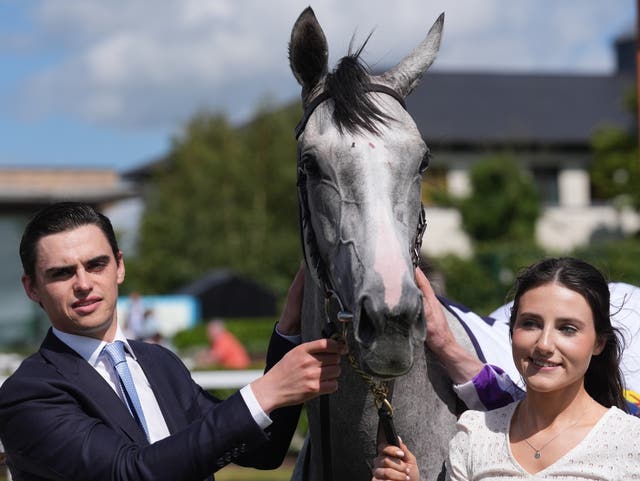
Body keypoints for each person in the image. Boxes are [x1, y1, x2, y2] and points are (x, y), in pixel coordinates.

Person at [0, 202, 347, 481]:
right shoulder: (27, 394)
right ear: (32, 288)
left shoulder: (159, 363)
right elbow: (130, 472)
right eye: (62, 273)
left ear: (118, 267)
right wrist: (267, 390)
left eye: (96, 265)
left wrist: (289, 331)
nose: (83, 283)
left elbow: (264, 450)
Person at [375, 257, 640, 480]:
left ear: (599, 343)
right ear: (512, 330)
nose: (544, 344)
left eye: (567, 329)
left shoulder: (631, 443)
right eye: (531, 324)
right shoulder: (473, 434)